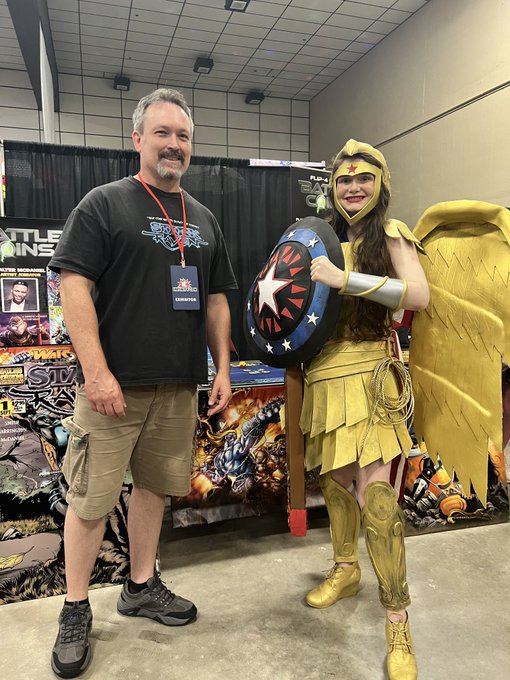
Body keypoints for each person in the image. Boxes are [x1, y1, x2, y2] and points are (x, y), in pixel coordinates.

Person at [47, 88, 237, 679]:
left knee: (154, 490)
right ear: (137, 139)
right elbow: (72, 285)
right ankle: (75, 608)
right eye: (163, 133)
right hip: (114, 389)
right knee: (91, 500)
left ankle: (140, 585)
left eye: (183, 136)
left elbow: (215, 298)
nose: (174, 144)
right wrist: (96, 372)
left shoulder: (203, 218)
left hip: (177, 387)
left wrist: (222, 367)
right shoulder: (104, 205)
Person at [299, 139, 429, 680]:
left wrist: (343, 279)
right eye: (344, 179)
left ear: (381, 184)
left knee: (378, 502)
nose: (352, 187)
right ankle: (345, 568)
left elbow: (418, 295)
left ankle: (398, 623)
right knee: (334, 486)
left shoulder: (391, 235)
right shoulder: (319, 239)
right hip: (324, 377)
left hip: (372, 376)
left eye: (363, 179)